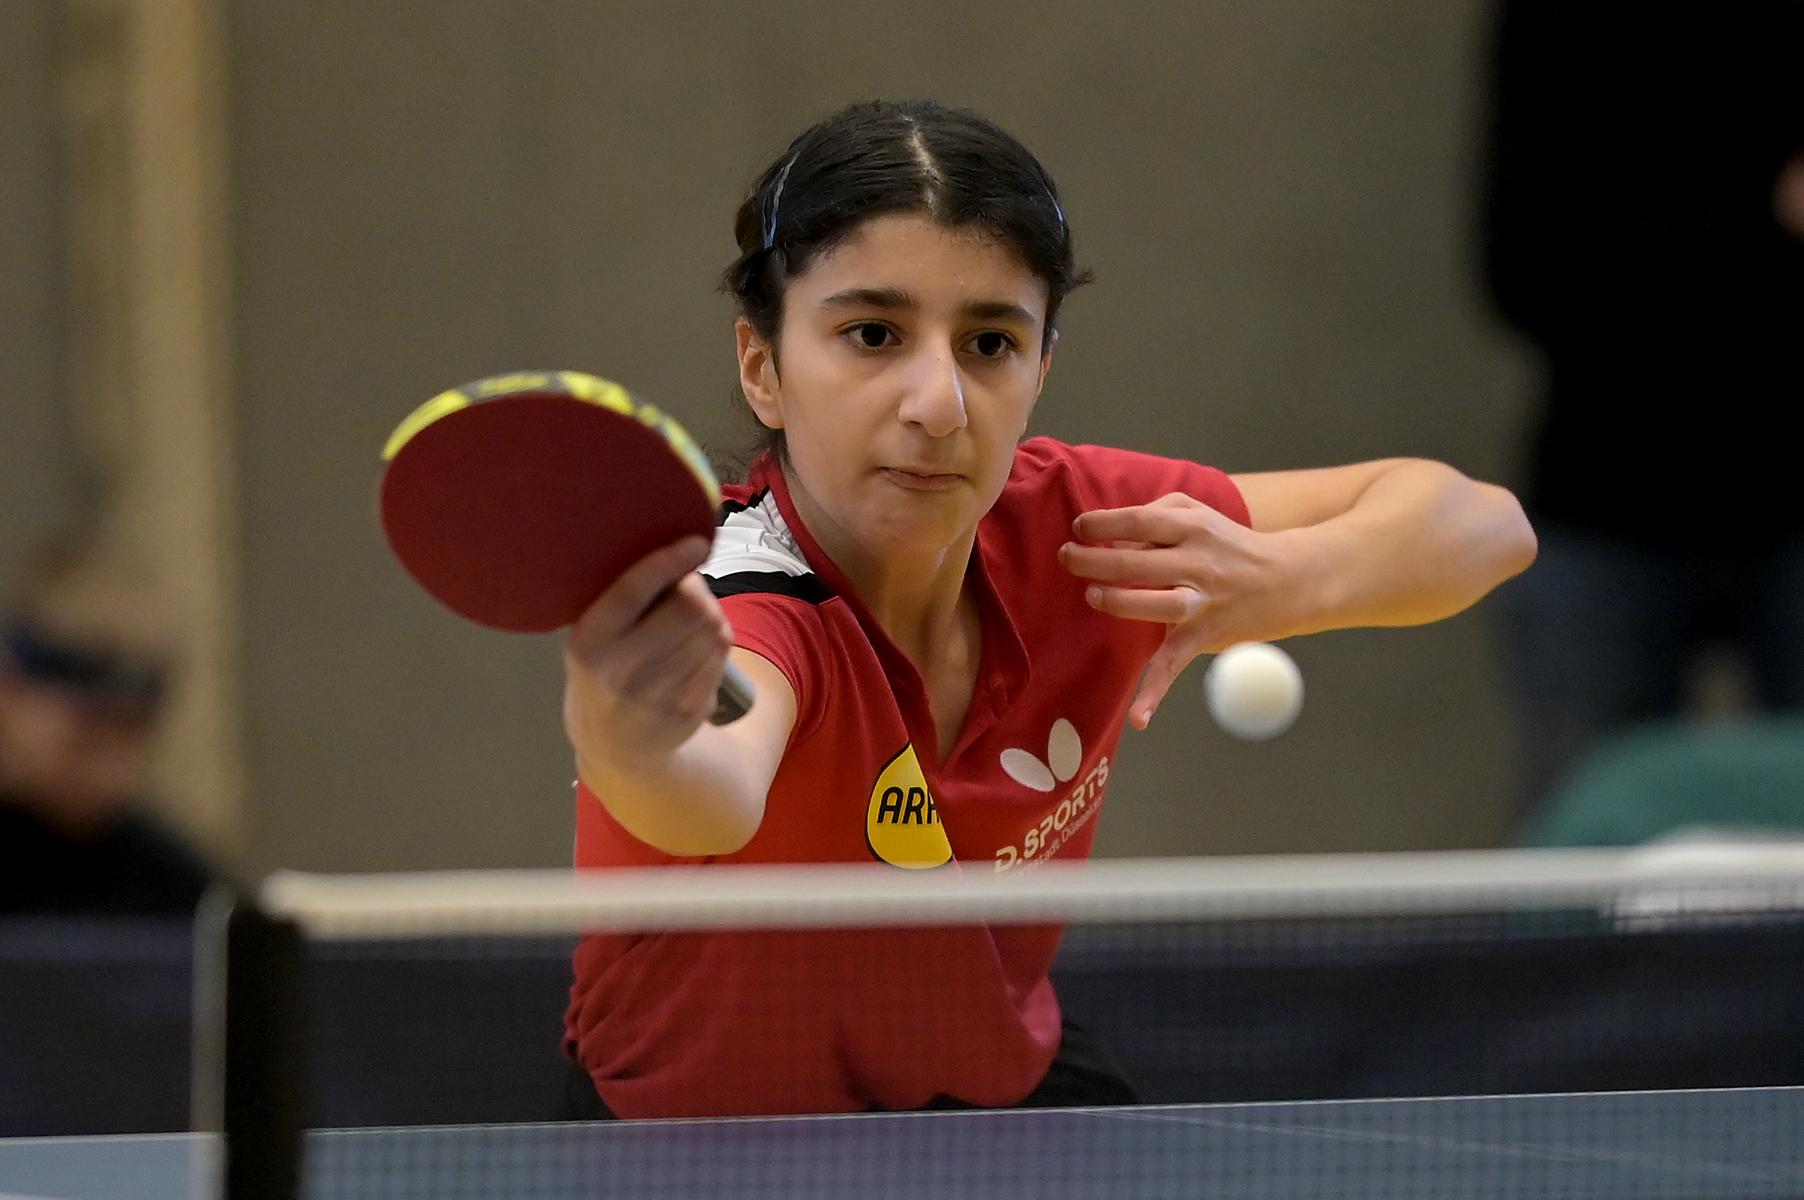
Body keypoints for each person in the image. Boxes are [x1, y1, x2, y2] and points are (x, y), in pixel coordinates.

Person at [560, 99, 1536, 1119]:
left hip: (988, 1097)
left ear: (1040, 371)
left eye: (989, 343)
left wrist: (1283, 580)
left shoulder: (1082, 533)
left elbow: (1486, 525)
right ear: (763, 368)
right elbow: (710, 790)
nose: (937, 404)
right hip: (706, 1145)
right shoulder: (753, 596)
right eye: (872, 334)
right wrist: (623, 732)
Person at [1481, 2, 1804, 825]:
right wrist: (1758, 218)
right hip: (1605, 493)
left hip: (1790, 494)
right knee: (1584, 829)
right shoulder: (1561, 26)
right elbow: (1519, 266)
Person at [0, 537, 212, 914]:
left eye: (130, 739)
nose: (108, 771)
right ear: (10, 693)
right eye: (85, 736)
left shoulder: (174, 888)